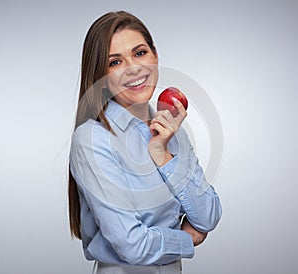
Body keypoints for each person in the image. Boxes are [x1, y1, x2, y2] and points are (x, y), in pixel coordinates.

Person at [68, 10, 222, 274]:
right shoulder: (92, 140)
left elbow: (208, 215)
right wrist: (189, 240)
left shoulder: (171, 130)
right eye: (115, 62)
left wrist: (163, 154)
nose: (134, 68)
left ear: (155, 55)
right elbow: (131, 245)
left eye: (140, 53)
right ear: (100, 77)